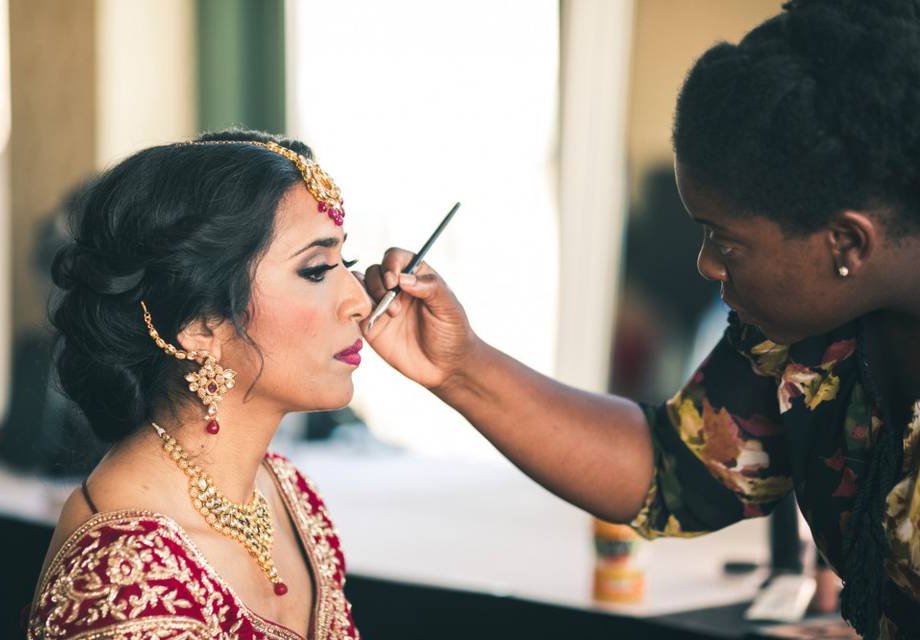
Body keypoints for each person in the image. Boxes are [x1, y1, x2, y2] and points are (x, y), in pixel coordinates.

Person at [360, 1, 920, 638]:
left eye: (725, 240)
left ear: (847, 243)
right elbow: (675, 467)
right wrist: (460, 368)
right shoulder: (809, 330)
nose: (707, 265)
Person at [27, 129, 368, 639]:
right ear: (200, 325)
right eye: (316, 271)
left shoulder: (285, 493)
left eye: (348, 263)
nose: (360, 300)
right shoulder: (128, 576)